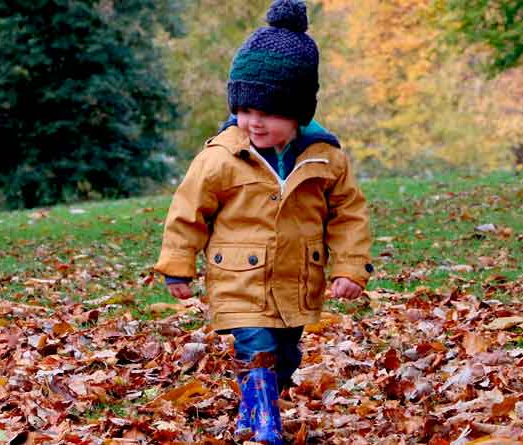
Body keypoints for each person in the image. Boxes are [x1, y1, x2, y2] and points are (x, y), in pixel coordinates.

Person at [153, 0, 373, 442]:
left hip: (296, 280)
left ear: (298, 112)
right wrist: (178, 265)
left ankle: (254, 411)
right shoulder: (221, 157)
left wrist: (350, 267)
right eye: (246, 109)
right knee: (257, 347)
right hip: (238, 278)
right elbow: (188, 210)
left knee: (287, 355)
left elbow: (348, 215)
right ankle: (266, 425)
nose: (254, 121)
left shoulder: (325, 158)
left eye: (268, 112)